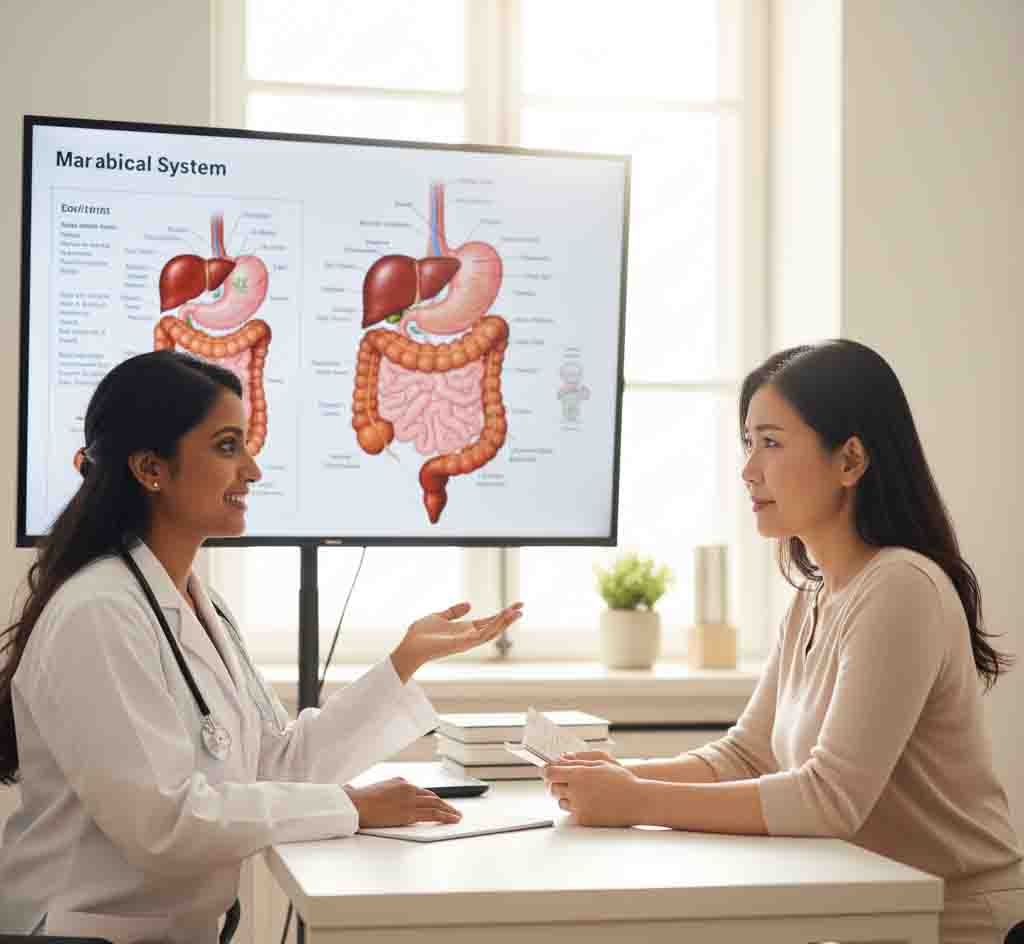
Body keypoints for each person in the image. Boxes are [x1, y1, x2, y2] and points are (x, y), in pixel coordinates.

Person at [0, 350, 523, 943]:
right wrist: (352, 807)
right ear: (151, 468)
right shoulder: (98, 612)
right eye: (227, 447)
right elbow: (164, 825)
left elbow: (277, 766)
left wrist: (404, 663)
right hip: (79, 933)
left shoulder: (202, 605)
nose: (252, 470)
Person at [544, 340, 1023, 943]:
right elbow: (746, 756)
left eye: (771, 443)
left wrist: (636, 801)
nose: (749, 470)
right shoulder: (815, 596)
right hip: (872, 919)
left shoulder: (901, 587)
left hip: (956, 924)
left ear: (850, 460)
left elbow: (829, 800)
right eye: (748, 443)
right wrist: (620, 777)